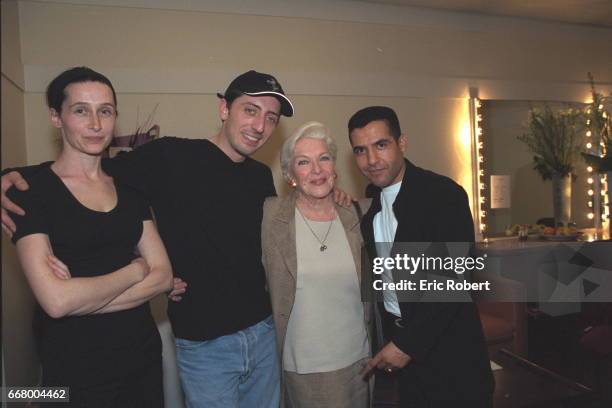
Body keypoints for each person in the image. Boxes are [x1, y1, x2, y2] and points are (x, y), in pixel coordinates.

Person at [3, 70, 353, 408]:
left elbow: (277, 235)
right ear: (224, 109)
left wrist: (330, 193)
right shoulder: (169, 156)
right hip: (205, 344)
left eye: (271, 117)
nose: (259, 126)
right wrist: (12, 177)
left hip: (263, 335)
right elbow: (88, 171)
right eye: (250, 110)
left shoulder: (262, 176)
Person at [5, 67, 174, 407]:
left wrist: (79, 299)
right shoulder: (30, 190)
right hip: (72, 370)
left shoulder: (130, 191)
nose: (96, 124)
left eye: (105, 111)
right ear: (56, 117)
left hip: (141, 362)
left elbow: (165, 275)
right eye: (81, 110)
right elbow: (55, 302)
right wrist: (135, 271)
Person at [349, 106, 494, 408]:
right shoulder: (372, 207)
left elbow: (452, 282)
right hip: (407, 363)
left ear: (402, 143)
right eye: (361, 150)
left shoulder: (443, 195)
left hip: (451, 356)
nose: (372, 160)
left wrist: (406, 345)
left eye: (381, 145)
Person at [259, 122, 373, 408]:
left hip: (360, 362)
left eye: (323, 158)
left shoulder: (357, 215)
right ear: (289, 174)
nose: (317, 170)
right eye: (303, 162)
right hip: (305, 368)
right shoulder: (271, 217)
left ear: (334, 166)